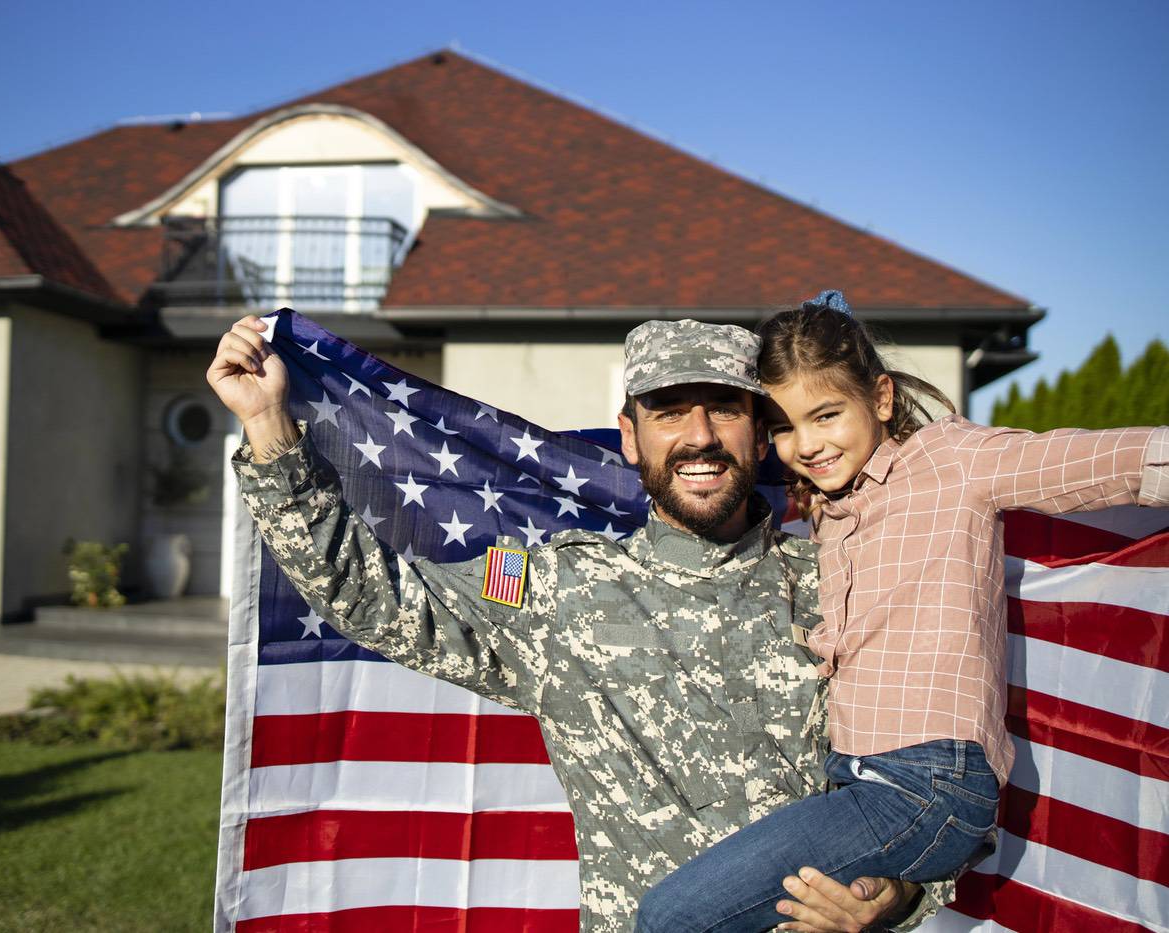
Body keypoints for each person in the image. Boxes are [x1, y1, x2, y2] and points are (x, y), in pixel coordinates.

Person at [208, 312, 955, 933]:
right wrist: (271, 426)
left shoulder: (850, 584)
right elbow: (372, 594)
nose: (698, 435)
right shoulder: (558, 588)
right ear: (630, 436)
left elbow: (939, 781)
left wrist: (902, 898)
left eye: (724, 407)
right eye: (669, 411)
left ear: (761, 434)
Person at [636, 290, 1169, 932]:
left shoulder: (949, 460)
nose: (806, 445)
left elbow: (1108, 461)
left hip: (926, 785)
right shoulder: (825, 512)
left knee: (670, 917)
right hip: (855, 783)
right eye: (783, 427)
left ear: (881, 399)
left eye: (827, 415)